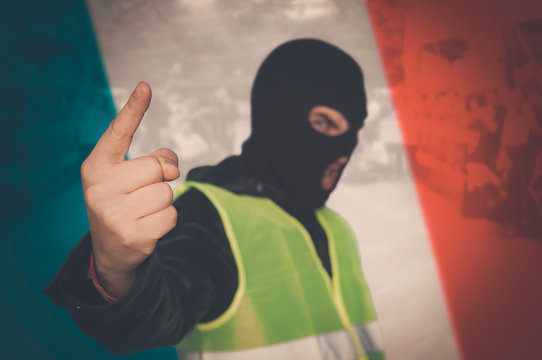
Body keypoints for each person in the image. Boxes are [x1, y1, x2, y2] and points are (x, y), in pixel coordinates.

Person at [44, 39, 385, 360]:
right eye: (324, 122)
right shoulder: (205, 216)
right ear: (275, 116)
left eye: (355, 129)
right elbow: (151, 318)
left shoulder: (336, 226)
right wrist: (115, 268)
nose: (345, 148)